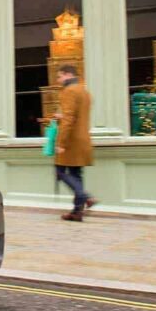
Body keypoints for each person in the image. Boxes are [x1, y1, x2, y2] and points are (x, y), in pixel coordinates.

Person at [54, 65, 96, 221]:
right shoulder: (84, 91)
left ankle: (85, 196)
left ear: (67, 74)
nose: (58, 80)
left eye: (59, 77)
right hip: (83, 139)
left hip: (71, 141)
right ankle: (77, 212)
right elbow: (75, 116)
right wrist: (61, 116)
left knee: (60, 172)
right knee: (76, 174)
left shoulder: (69, 91)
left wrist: (61, 143)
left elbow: (69, 119)